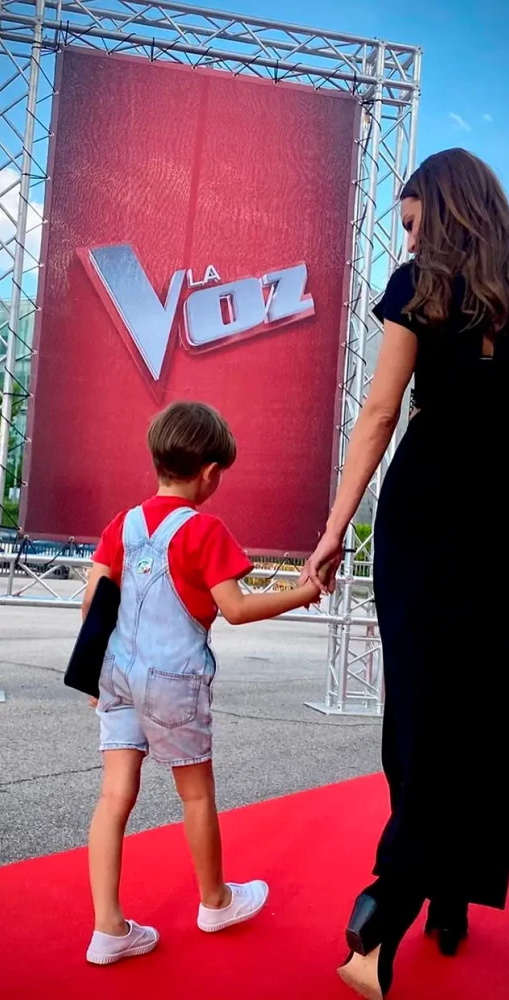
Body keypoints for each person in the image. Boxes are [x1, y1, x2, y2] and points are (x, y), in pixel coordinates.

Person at [303, 148, 509, 998]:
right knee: (488, 711)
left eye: (413, 214)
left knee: (421, 705)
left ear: (440, 202)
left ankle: (393, 896)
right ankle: (447, 896)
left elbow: (382, 411)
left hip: (423, 497)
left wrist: (335, 524)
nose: (410, 230)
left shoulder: (418, 282)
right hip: (504, 498)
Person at [82, 401, 321, 966]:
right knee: (195, 795)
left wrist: (93, 674)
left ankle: (108, 927)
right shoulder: (204, 530)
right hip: (175, 685)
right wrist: (305, 594)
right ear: (210, 473)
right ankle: (214, 901)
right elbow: (234, 609)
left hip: (116, 676)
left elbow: (95, 599)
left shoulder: (124, 523)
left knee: (114, 797)